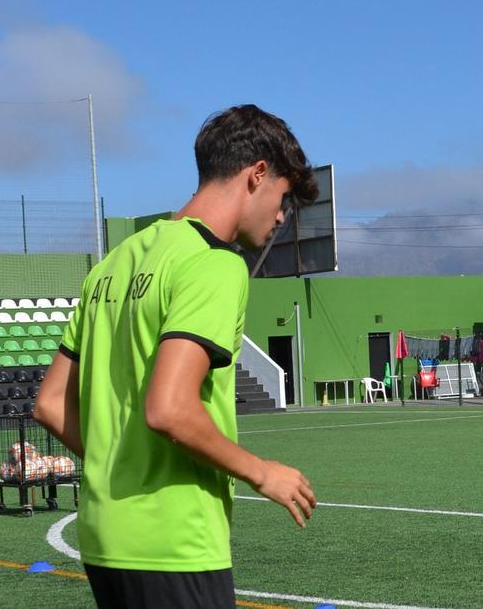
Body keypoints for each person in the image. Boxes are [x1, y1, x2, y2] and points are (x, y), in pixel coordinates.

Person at [34, 104, 320, 608]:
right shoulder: (214, 265)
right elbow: (169, 408)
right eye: (283, 198)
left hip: (104, 539)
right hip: (174, 542)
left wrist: (116, 460)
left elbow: (51, 403)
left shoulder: (111, 266)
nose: (280, 216)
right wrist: (262, 472)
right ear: (257, 174)